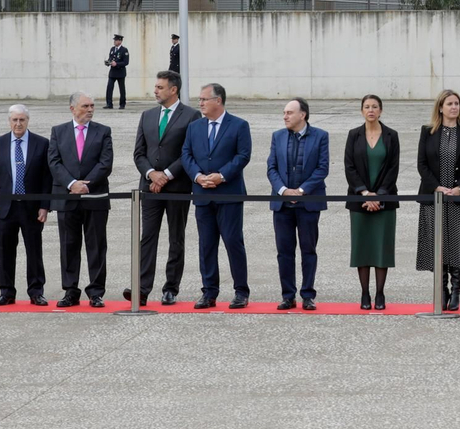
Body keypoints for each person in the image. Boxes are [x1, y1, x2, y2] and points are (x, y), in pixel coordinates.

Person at [127, 70, 200, 306]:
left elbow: (189, 152)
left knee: (176, 238)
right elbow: (139, 153)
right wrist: (151, 174)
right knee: (147, 236)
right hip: (149, 188)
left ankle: (171, 288)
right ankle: (141, 288)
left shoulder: (191, 116)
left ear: (173, 89)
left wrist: (166, 175)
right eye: (156, 87)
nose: (155, 91)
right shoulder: (147, 116)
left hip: (177, 187)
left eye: (160, 87)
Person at [182, 82, 253, 309]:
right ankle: (209, 292)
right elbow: (186, 154)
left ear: (218, 100)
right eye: (200, 99)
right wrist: (197, 176)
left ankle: (241, 291)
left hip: (228, 194)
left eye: (204, 99)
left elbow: (243, 156)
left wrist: (221, 176)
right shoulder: (194, 127)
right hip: (202, 193)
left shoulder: (239, 125)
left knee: (233, 242)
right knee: (206, 245)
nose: (200, 103)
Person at [48, 92, 115, 308]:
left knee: (96, 246)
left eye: (92, 106)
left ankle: (96, 292)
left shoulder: (103, 131)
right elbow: (54, 162)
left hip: (95, 197)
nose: (90, 110)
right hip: (67, 198)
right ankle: (70, 291)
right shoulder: (58, 132)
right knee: (68, 246)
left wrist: (86, 185)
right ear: (72, 108)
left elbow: (105, 163)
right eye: (85, 106)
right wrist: (71, 184)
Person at [417, 89, 460, 311]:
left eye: (457, 103)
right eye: (450, 104)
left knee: (458, 244)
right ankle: (441, 289)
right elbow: (422, 164)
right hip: (434, 197)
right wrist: (436, 187)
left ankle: (456, 291)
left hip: (459, 197)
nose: (454, 107)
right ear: (441, 108)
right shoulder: (428, 131)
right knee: (438, 244)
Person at [0, 105, 53, 307]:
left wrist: (45, 206)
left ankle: (36, 292)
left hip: (31, 208)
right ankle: (6, 292)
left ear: (27, 121)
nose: (18, 124)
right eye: (14, 120)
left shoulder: (41, 143)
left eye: (22, 120)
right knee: (5, 251)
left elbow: (46, 178)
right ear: (9, 121)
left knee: (34, 251)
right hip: (6, 208)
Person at [266, 98, 329, 311]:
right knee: (284, 251)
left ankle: (308, 295)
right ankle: (288, 296)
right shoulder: (277, 136)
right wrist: (284, 191)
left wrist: (301, 191)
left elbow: (322, 168)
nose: (285, 116)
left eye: (289, 112)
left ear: (302, 115)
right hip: (282, 204)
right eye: (284, 112)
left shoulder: (320, 136)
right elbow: (271, 168)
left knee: (308, 250)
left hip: (308, 203)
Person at [344, 95, 399, 311]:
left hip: (385, 200)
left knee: (381, 247)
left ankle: (380, 293)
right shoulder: (354, 135)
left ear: (381, 110)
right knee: (362, 247)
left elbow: (393, 168)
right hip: (360, 200)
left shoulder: (391, 135)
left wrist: (379, 195)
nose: (371, 110)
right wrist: (365, 193)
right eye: (367, 107)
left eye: (375, 107)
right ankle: (365, 292)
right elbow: (349, 166)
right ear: (362, 111)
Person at [104, 34, 129, 110]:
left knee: (122, 89)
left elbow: (126, 62)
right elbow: (111, 58)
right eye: (114, 40)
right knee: (109, 88)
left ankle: (122, 104)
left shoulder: (124, 50)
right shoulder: (112, 49)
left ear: (120, 41)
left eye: (116, 40)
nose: (114, 41)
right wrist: (108, 62)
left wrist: (117, 64)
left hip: (120, 72)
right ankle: (109, 104)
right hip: (112, 72)